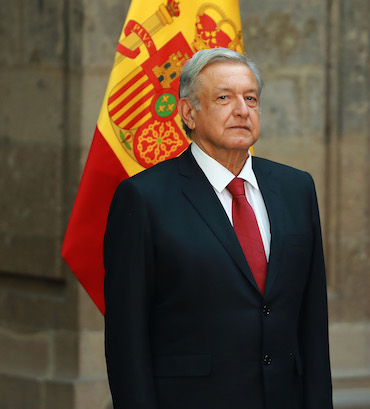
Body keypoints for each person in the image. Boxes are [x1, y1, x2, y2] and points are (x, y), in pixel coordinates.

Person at [103, 48, 333, 409]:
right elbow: (126, 339)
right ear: (188, 113)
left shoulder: (296, 188)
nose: (242, 110)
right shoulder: (143, 198)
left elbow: (313, 322)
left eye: (251, 98)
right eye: (224, 97)